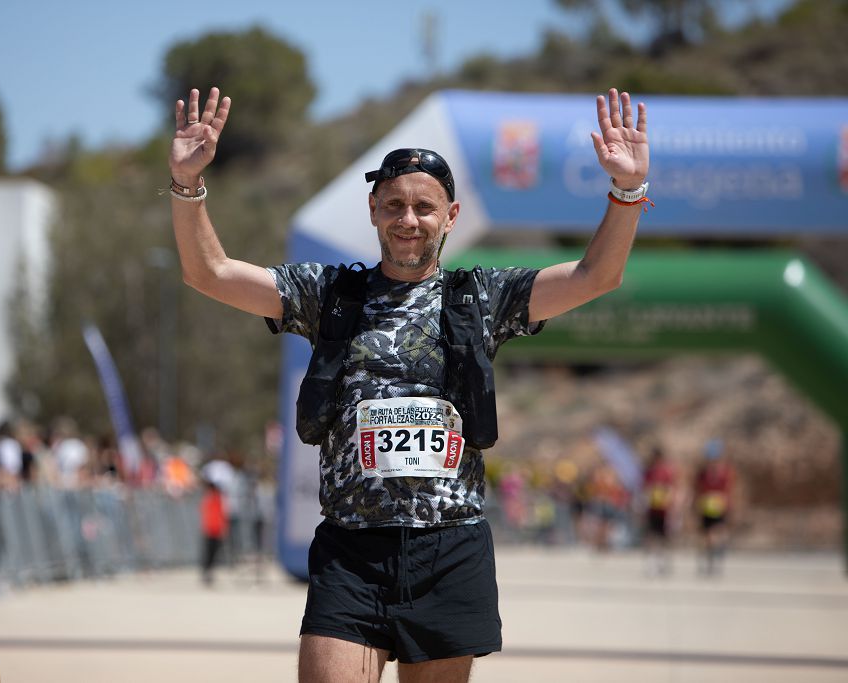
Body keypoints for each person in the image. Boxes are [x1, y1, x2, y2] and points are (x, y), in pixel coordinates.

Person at [168, 85, 649, 682]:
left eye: (424, 207)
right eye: (393, 204)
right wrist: (188, 184)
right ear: (372, 210)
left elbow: (597, 276)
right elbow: (208, 272)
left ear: (450, 217)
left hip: (449, 548)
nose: (408, 219)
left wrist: (627, 191)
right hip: (351, 548)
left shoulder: (481, 298)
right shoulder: (329, 294)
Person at [693, 438, 735, 577]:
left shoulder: (725, 473)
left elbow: (729, 491)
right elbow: (697, 491)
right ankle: (709, 561)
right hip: (705, 509)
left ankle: (717, 558)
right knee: (706, 538)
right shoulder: (702, 474)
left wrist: (728, 505)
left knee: (716, 535)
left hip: (719, 509)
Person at [641, 445, 677, 576]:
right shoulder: (648, 472)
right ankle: (652, 562)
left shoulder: (667, 471)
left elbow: (671, 488)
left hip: (664, 509)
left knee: (663, 536)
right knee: (651, 535)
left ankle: (662, 560)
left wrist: (671, 503)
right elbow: (644, 488)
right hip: (652, 508)